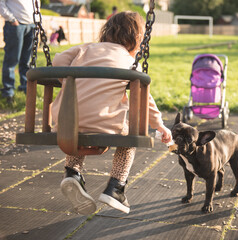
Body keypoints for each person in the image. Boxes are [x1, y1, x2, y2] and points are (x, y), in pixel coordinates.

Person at [50, 11, 172, 215]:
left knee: (76, 129)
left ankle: (72, 172)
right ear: (137, 39)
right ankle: (116, 186)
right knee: (128, 139)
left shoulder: (85, 48)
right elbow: (145, 98)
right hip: (106, 124)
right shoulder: (130, 62)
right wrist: (158, 124)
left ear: (106, 31)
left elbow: (58, 62)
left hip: (65, 123)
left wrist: (74, 80)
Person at [0, 0, 36, 105]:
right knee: (12, 60)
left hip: (31, 25)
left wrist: (37, 20)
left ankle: (25, 88)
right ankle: (8, 92)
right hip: (15, 25)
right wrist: (12, 19)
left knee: (27, 61)